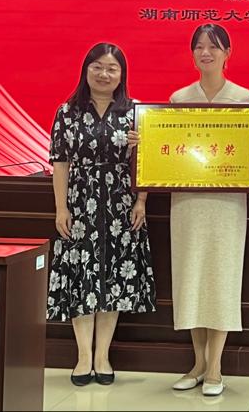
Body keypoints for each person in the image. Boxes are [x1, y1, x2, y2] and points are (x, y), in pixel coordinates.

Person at [159, 24, 249, 397]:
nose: (206, 52)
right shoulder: (178, 99)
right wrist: (146, 141)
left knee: (221, 278)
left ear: (227, 53)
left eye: (214, 46)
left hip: (226, 202)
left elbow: (248, 156)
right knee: (191, 278)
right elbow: (168, 150)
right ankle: (197, 363)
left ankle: (216, 367)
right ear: (192, 53)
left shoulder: (243, 98)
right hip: (188, 201)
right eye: (199, 47)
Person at [47, 42, 156, 387]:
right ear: (86, 70)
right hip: (80, 205)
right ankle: (83, 357)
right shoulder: (67, 111)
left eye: (112, 68)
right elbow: (60, 163)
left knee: (114, 279)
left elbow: (147, 162)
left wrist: (141, 201)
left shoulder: (136, 112)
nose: (104, 74)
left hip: (122, 206)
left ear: (122, 75)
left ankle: (102, 356)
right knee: (81, 277)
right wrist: (61, 208)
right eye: (97, 67)